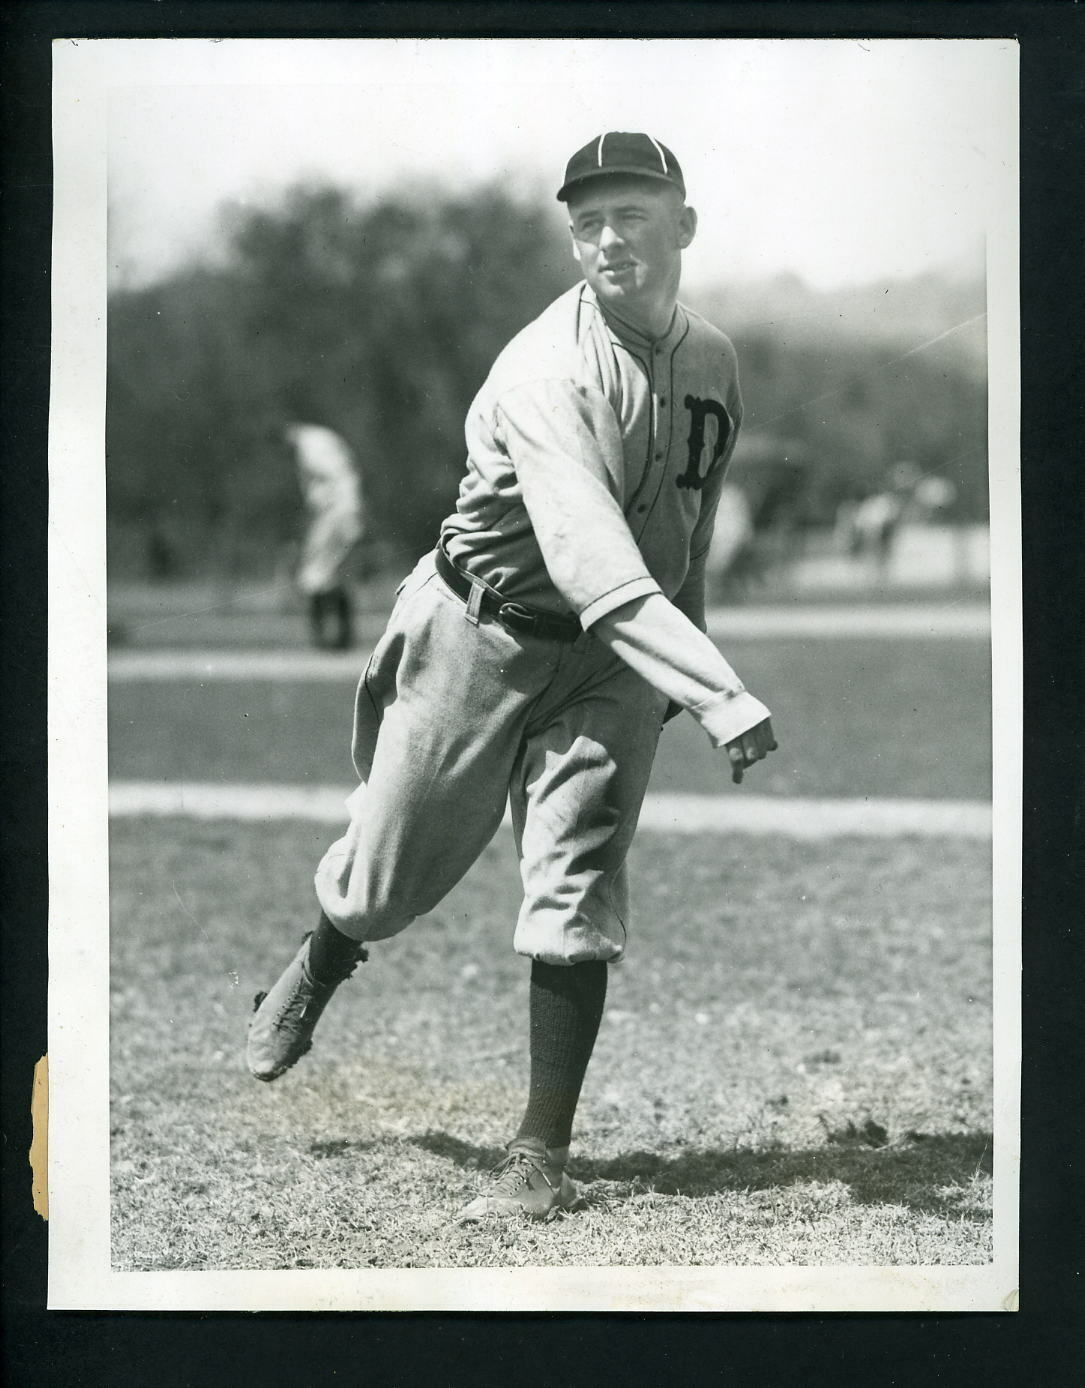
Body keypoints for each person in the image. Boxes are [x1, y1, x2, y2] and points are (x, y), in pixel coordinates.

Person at [247, 132, 777, 1223]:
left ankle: (539, 1151)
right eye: (585, 219)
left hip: (611, 654)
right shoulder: (547, 365)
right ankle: (322, 954)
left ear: (684, 224)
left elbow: (684, 531)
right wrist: (720, 687)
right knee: (384, 881)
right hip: (478, 627)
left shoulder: (714, 359)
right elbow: (589, 558)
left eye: (631, 212)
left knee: (577, 875)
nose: (605, 237)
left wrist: (684, 655)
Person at [288, 422, 365, 649]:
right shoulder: (321, 439)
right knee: (332, 576)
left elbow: (336, 478)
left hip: (335, 513)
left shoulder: (310, 446)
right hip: (343, 511)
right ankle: (341, 638)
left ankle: (325, 639)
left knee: (314, 576)